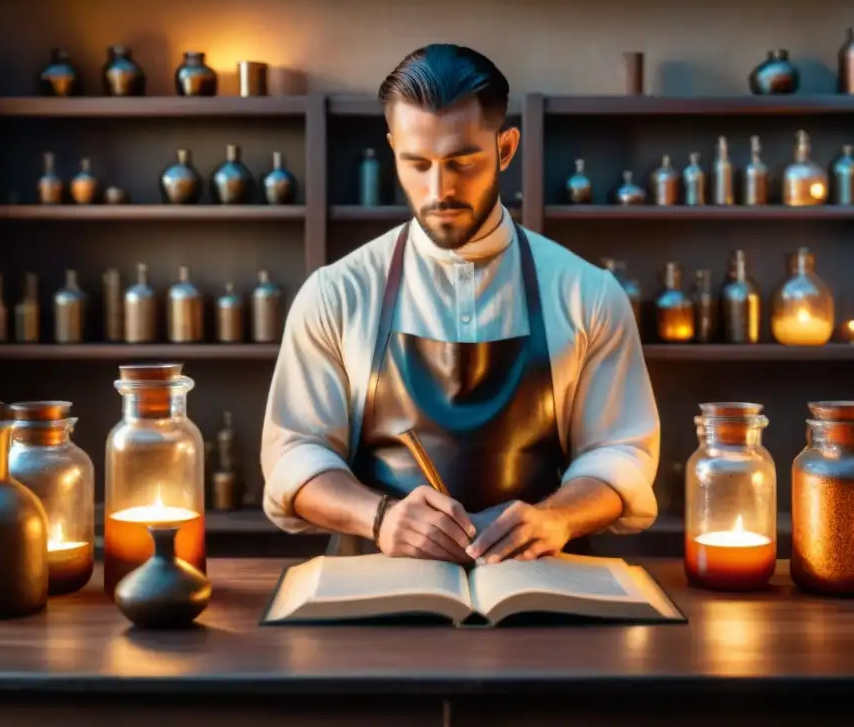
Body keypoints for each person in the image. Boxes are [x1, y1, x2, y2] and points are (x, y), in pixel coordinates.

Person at [261, 43, 659, 565]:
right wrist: (378, 517)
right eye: (416, 163)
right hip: (374, 593)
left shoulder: (587, 293)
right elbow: (294, 454)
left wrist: (559, 516)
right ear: (392, 150)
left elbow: (619, 452)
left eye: (461, 161)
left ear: (506, 148)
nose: (438, 189)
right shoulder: (336, 293)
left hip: (539, 587)